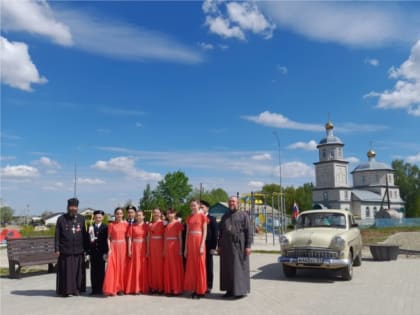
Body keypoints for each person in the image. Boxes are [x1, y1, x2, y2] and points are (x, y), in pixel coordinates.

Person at [218, 196, 252, 299]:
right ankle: (229, 290)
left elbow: (249, 232)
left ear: (238, 203)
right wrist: (219, 246)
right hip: (226, 246)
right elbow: (220, 232)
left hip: (239, 245)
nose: (231, 203)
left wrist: (248, 246)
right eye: (230, 201)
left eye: (233, 201)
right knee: (227, 268)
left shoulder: (243, 215)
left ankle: (240, 291)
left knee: (238, 268)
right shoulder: (225, 216)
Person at [55, 198, 88, 297]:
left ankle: (77, 289)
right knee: (67, 272)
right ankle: (66, 290)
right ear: (68, 207)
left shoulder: (82, 219)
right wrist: (57, 248)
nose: (73, 208)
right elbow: (57, 235)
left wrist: (86, 249)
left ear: (77, 207)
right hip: (65, 250)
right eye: (71, 206)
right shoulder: (61, 219)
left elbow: (84, 234)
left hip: (78, 250)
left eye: (75, 206)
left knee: (78, 272)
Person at [184, 200, 208, 299]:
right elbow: (187, 233)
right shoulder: (189, 217)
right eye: (191, 205)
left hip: (199, 242)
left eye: (194, 205)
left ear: (198, 206)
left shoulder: (203, 216)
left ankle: (201, 290)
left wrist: (202, 245)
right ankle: (194, 289)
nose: (193, 207)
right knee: (192, 267)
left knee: (200, 266)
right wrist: (185, 248)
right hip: (190, 241)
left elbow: (205, 231)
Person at [103, 207, 128, 296]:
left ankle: (121, 288)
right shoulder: (111, 225)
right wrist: (109, 249)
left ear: (123, 214)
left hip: (123, 247)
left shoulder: (126, 224)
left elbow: (128, 238)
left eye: (120, 213)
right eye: (117, 213)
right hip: (114, 247)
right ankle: (113, 287)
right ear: (115, 214)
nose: (119, 215)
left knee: (122, 267)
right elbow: (108, 238)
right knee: (113, 267)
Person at [125, 210, 149, 295]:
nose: (138, 217)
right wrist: (129, 250)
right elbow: (130, 239)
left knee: (142, 267)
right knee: (135, 267)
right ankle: (135, 287)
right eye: (137, 215)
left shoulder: (146, 226)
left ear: (143, 216)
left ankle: (142, 287)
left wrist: (148, 250)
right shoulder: (132, 226)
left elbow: (147, 238)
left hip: (143, 247)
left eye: (140, 215)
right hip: (135, 247)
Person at [163, 209, 184, 296]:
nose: (169, 215)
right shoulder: (167, 225)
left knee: (175, 268)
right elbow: (165, 238)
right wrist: (164, 249)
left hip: (175, 246)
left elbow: (180, 238)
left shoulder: (177, 224)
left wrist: (180, 249)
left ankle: (176, 288)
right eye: (168, 214)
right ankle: (170, 287)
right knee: (169, 267)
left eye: (171, 213)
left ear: (174, 214)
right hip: (168, 247)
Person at [87, 210, 108, 295]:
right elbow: (88, 241)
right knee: (93, 271)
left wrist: (106, 252)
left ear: (102, 218)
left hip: (101, 252)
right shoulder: (90, 227)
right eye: (96, 217)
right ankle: (94, 289)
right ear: (94, 218)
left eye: (99, 217)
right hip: (93, 252)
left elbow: (107, 241)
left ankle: (101, 288)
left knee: (101, 271)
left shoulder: (105, 227)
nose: (98, 219)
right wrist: (88, 253)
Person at [200, 200, 218, 293]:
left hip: (208, 245)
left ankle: (209, 286)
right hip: (198, 246)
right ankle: (200, 284)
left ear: (207, 208)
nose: (200, 209)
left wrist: (213, 247)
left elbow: (215, 234)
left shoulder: (211, 219)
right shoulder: (197, 218)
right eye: (200, 207)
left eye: (202, 207)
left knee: (208, 266)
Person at [148, 208, 165, 294]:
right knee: (153, 267)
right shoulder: (150, 224)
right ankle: (153, 286)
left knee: (159, 267)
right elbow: (148, 237)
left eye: (157, 212)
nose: (156, 214)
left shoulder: (163, 223)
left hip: (159, 245)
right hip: (152, 246)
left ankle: (161, 287)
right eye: (154, 212)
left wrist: (164, 248)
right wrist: (148, 249)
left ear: (160, 213)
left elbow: (165, 236)